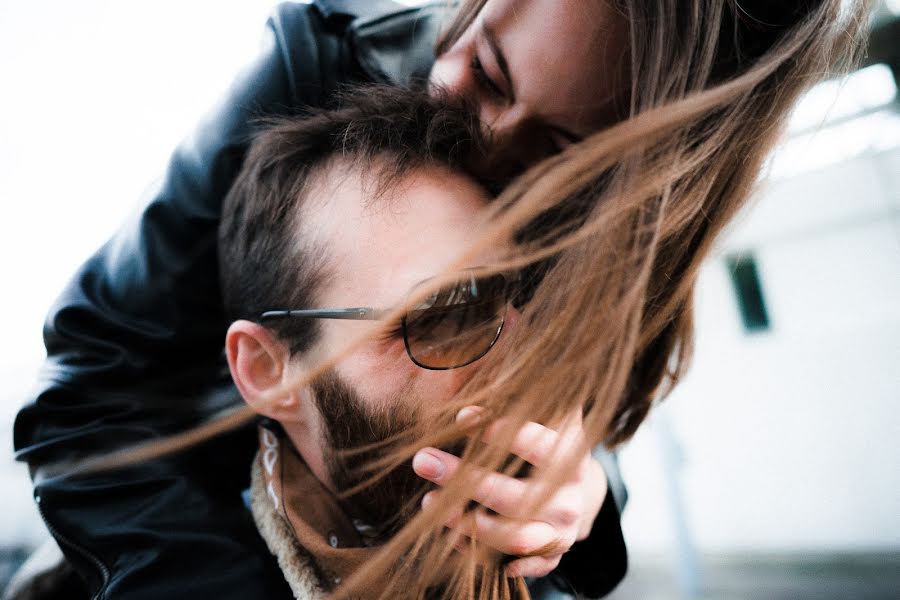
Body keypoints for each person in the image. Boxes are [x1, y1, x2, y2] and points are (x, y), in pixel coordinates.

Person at [12, 0, 869, 599]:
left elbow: (583, 437)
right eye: (489, 71)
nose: (483, 140)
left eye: (558, 150)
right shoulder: (324, 52)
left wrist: (579, 501)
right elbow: (90, 382)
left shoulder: (615, 239)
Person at [219, 86, 526, 597]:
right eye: (445, 314)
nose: (521, 350)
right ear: (268, 371)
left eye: (522, 293)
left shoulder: (563, 539)